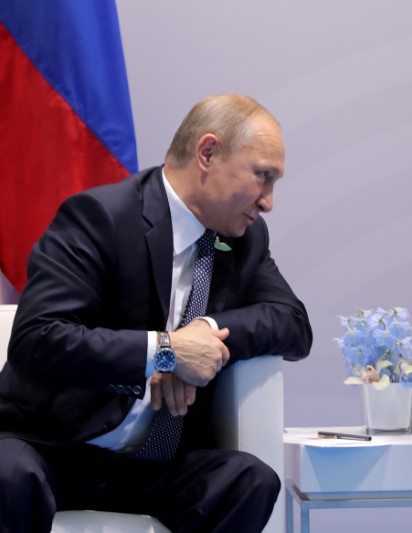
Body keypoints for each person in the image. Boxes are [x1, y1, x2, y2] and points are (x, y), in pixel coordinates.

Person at [0, 94, 313, 532]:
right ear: (207, 153)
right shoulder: (101, 218)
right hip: (53, 446)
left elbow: (293, 323)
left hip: (153, 464)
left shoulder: (245, 239)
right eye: (263, 176)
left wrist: (203, 335)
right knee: (7, 474)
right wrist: (165, 351)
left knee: (250, 480)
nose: (268, 202)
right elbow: (38, 338)